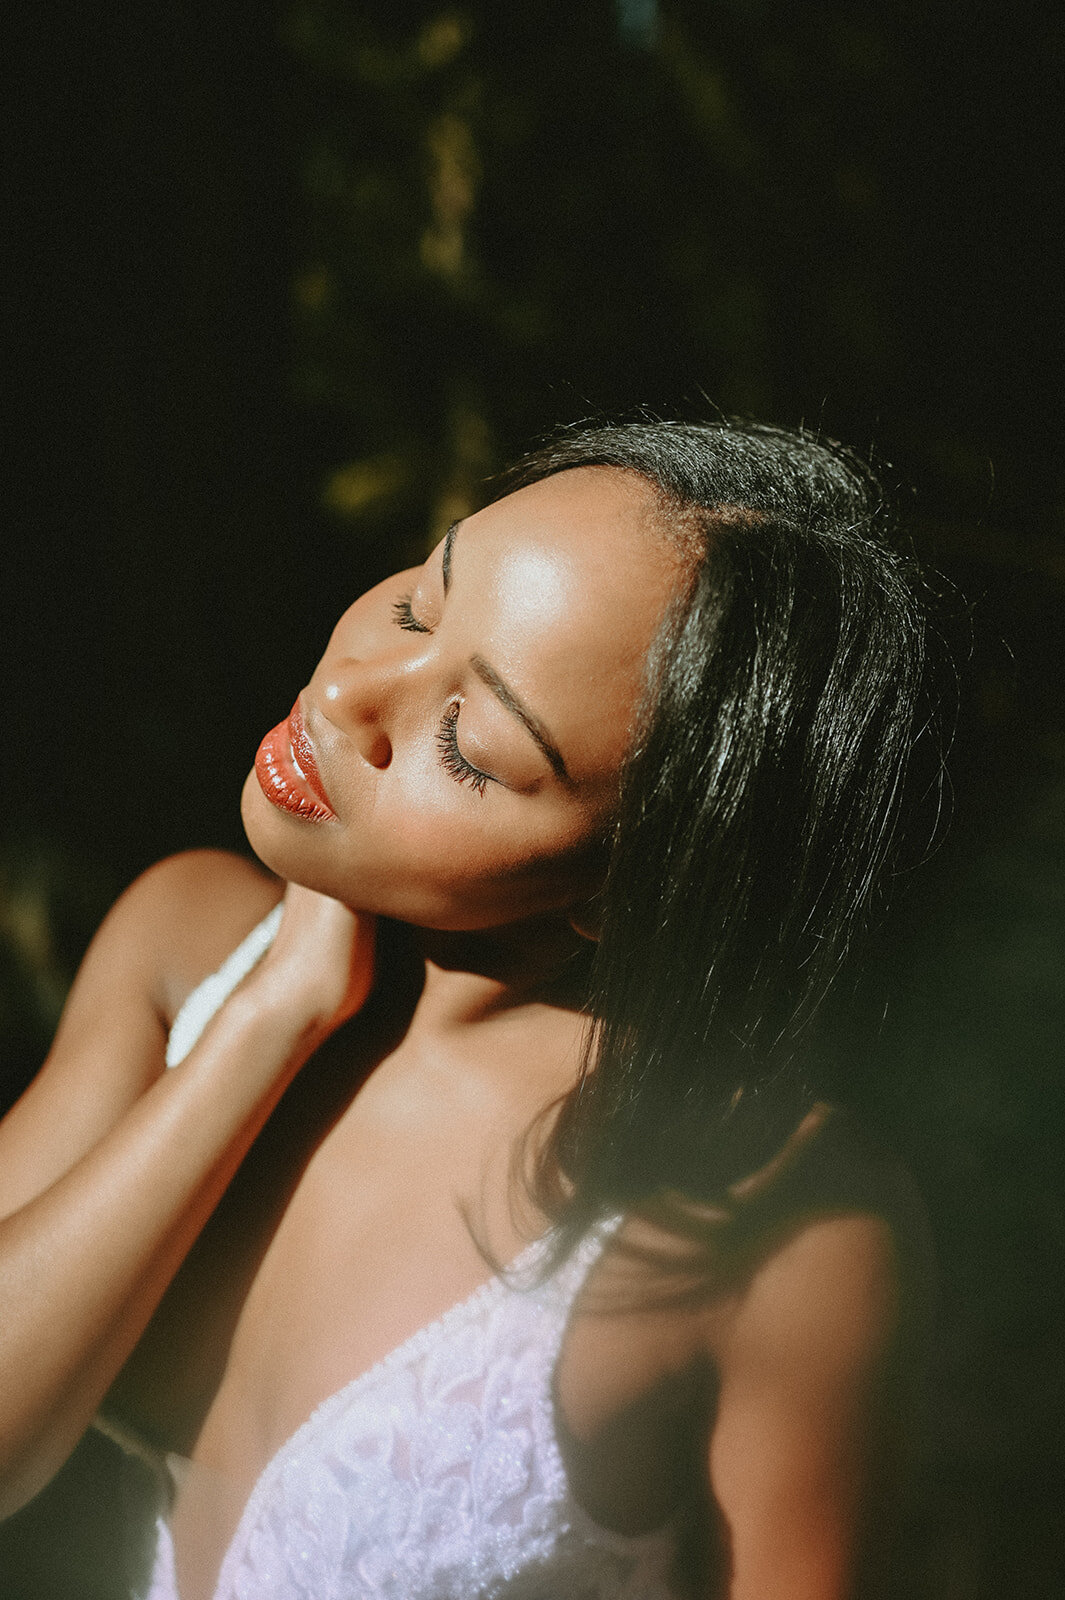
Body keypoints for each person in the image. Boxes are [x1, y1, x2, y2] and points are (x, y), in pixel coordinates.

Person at [0, 420, 936, 1599]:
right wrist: (272, 1013)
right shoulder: (185, 944)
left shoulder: (774, 1222)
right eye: (415, 605)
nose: (345, 695)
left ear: (624, 883)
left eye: (469, 741)